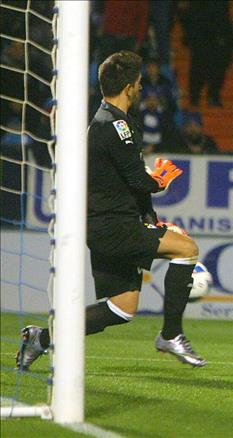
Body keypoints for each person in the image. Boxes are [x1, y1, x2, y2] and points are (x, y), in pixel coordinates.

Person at [15, 51, 206, 371]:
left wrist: (153, 219)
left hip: (109, 223)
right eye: (139, 83)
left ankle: (41, 339)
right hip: (111, 226)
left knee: (122, 308)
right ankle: (171, 334)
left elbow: (127, 182)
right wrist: (160, 182)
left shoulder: (114, 122)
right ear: (129, 87)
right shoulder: (115, 127)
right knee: (187, 250)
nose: (142, 87)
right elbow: (137, 180)